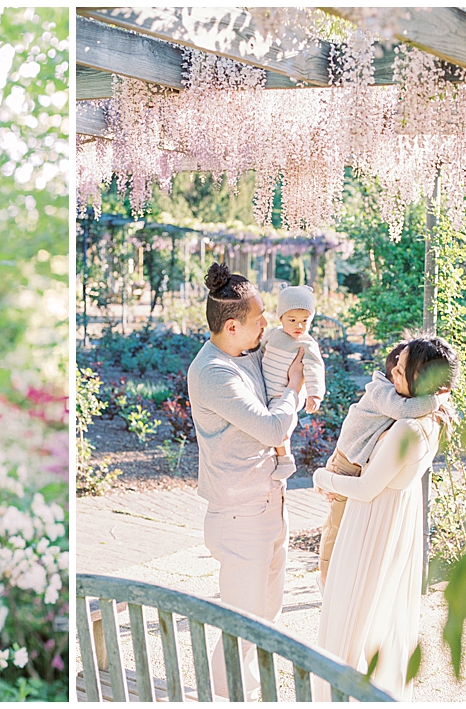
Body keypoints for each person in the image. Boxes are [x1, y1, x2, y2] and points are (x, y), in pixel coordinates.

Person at [312, 336, 458, 701]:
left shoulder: (409, 427)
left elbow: (367, 489)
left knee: (350, 617)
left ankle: (342, 695)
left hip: (371, 525)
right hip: (389, 523)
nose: (392, 370)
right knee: (373, 617)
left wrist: (321, 478)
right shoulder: (431, 420)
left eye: (401, 368)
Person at [187, 262, 305, 701]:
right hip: (238, 515)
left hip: (268, 501)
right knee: (240, 623)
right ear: (232, 326)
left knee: (266, 615)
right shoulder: (214, 373)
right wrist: (293, 390)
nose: (265, 329)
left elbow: (286, 346)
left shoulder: (244, 353)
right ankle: (224, 698)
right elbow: (275, 429)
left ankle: (250, 696)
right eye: (259, 322)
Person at [315, 341, 447, 591]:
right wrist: (436, 400)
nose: (397, 376)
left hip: (355, 463)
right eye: (395, 371)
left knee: (345, 527)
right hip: (344, 463)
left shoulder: (394, 395)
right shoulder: (381, 391)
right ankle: (325, 575)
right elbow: (403, 410)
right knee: (335, 524)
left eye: (402, 371)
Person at [259, 284, 326, 476]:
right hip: (267, 390)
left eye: (305, 320)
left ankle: (285, 459)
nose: (299, 325)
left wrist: (315, 395)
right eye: (293, 319)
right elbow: (259, 350)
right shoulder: (273, 335)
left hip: (285, 394)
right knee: (267, 424)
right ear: (281, 318)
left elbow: (315, 368)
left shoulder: (307, 344)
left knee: (280, 426)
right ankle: (278, 457)